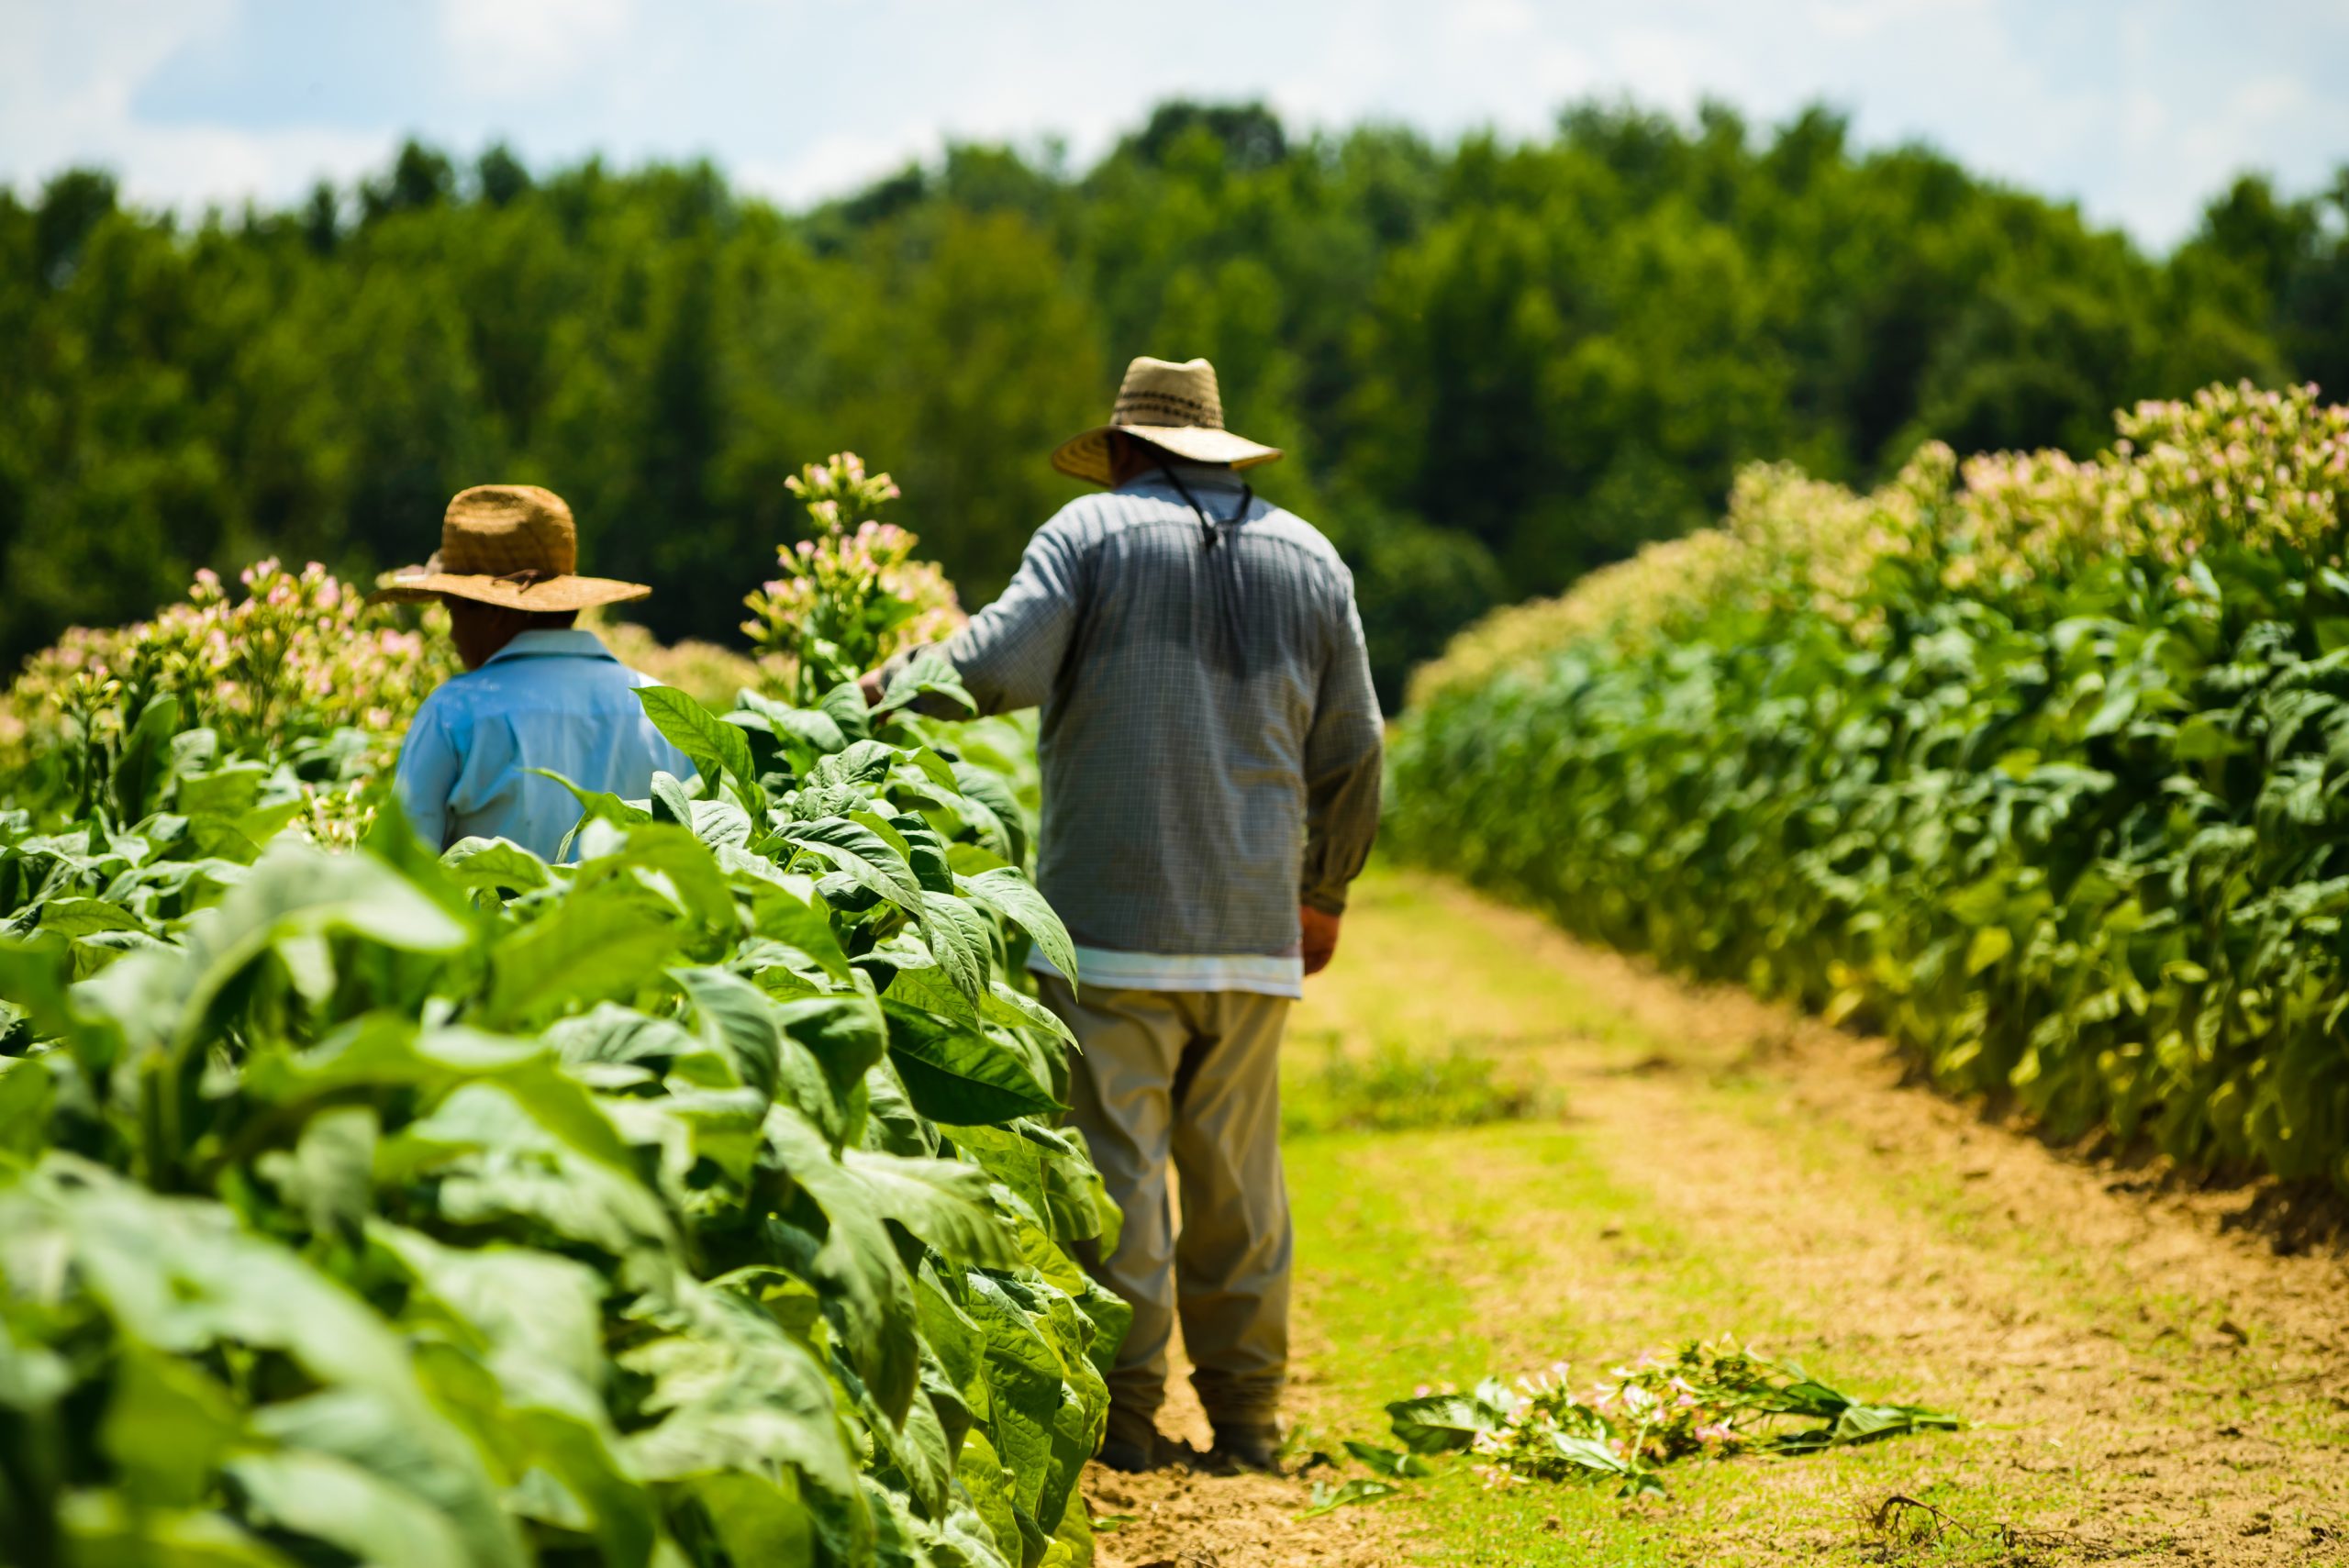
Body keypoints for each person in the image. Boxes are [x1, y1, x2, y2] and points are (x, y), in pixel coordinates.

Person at [865, 356, 1384, 1473]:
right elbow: (1356, 749)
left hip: (1109, 924)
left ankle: (1129, 1419)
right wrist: (1322, 890)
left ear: (1127, 449)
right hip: (1253, 933)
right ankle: (1247, 1421)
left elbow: (994, 666)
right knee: (1242, 1183)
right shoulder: (1312, 557)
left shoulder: (1090, 534)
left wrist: (879, 692)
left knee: (1117, 1177)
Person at [374, 484, 692, 861]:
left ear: (492, 611)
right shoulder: (662, 710)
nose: (452, 633)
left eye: (452, 610)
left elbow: (402, 873)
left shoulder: (455, 713)